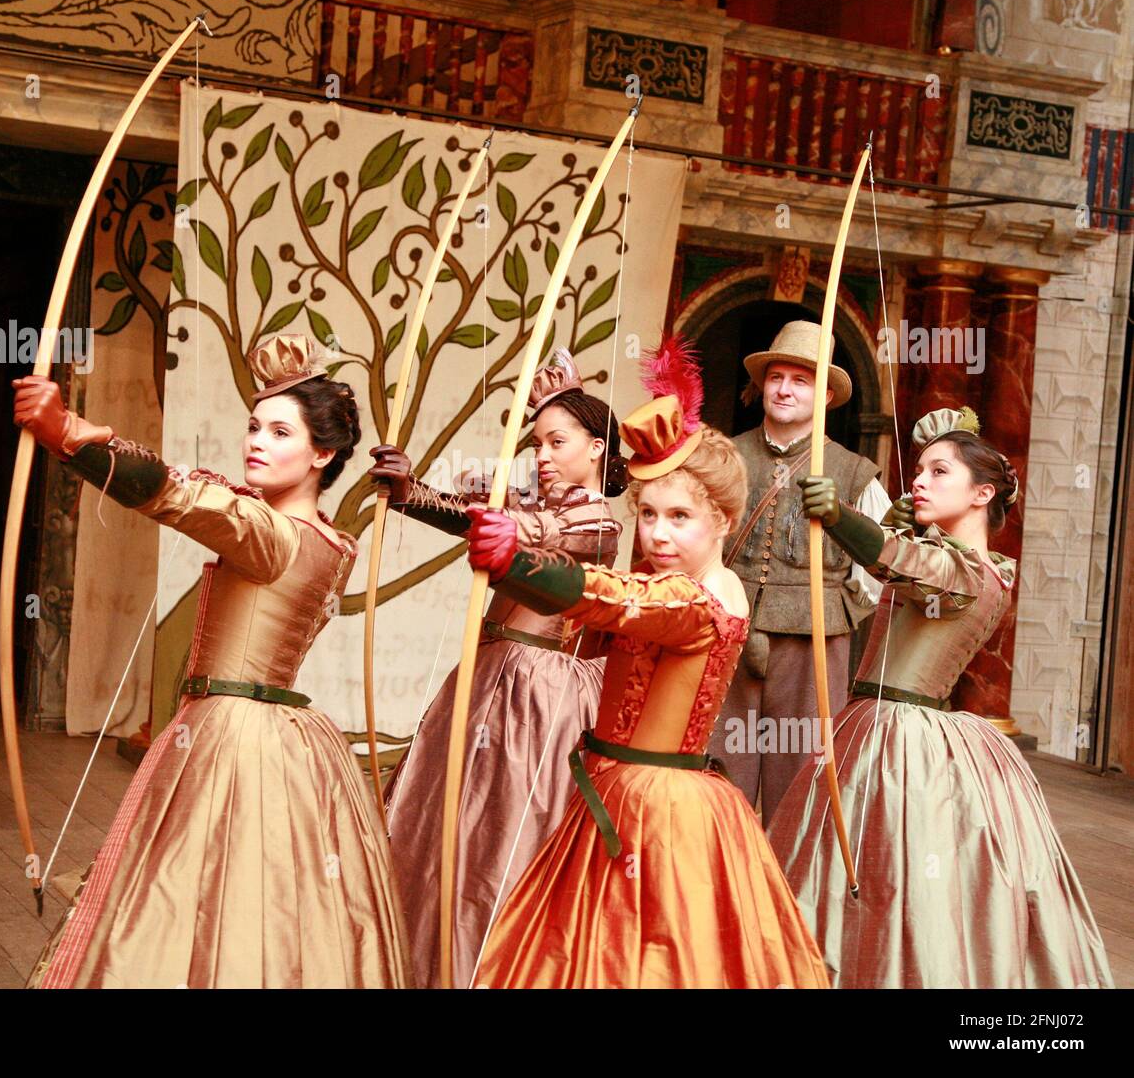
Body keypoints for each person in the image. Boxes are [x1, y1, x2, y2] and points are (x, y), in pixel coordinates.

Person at [18, 333, 409, 988]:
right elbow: (203, 493)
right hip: (277, 735)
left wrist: (70, 435)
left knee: (191, 892)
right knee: (258, 899)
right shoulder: (327, 541)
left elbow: (177, 493)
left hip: (229, 738)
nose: (257, 439)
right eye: (254, 425)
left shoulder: (271, 533)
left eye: (281, 432)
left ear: (323, 452)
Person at [465, 337, 829, 988]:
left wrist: (517, 561)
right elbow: (616, 618)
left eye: (680, 517)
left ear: (721, 519)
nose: (658, 533)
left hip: (654, 808)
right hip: (618, 788)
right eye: (651, 515)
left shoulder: (697, 597)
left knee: (639, 955)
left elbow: (618, 598)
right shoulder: (687, 583)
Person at [768, 407, 1114, 988]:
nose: (919, 481)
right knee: (846, 869)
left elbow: (902, 563)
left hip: (899, 740)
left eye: (939, 472)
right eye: (919, 470)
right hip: (869, 726)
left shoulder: (972, 574)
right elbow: (903, 566)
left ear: (982, 494)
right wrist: (897, 530)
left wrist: (845, 519)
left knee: (888, 872)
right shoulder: (950, 562)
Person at [370, 348, 624, 988]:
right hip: (491, 676)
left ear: (597, 447)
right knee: (444, 825)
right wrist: (410, 494)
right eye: (536, 441)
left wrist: (438, 503)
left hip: (536, 695)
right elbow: (485, 515)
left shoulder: (595, 519)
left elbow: (512, 528)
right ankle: (420, 960)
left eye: (557, 440)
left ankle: (485, 968)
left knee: (500, 836)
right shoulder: (536, 503)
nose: (541, 453)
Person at [708, 319, 890, 826]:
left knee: (802, 775)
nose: (785, 389)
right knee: (717, 770)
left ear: (826, 394)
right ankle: (720, 887)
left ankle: (786, 894)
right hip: (728, 632)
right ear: (762, 384)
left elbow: (882, 563)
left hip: (813, 642)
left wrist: (839, 611)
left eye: (801, 380)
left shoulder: (854, 472)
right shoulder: (725, 456)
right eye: (776, 377)